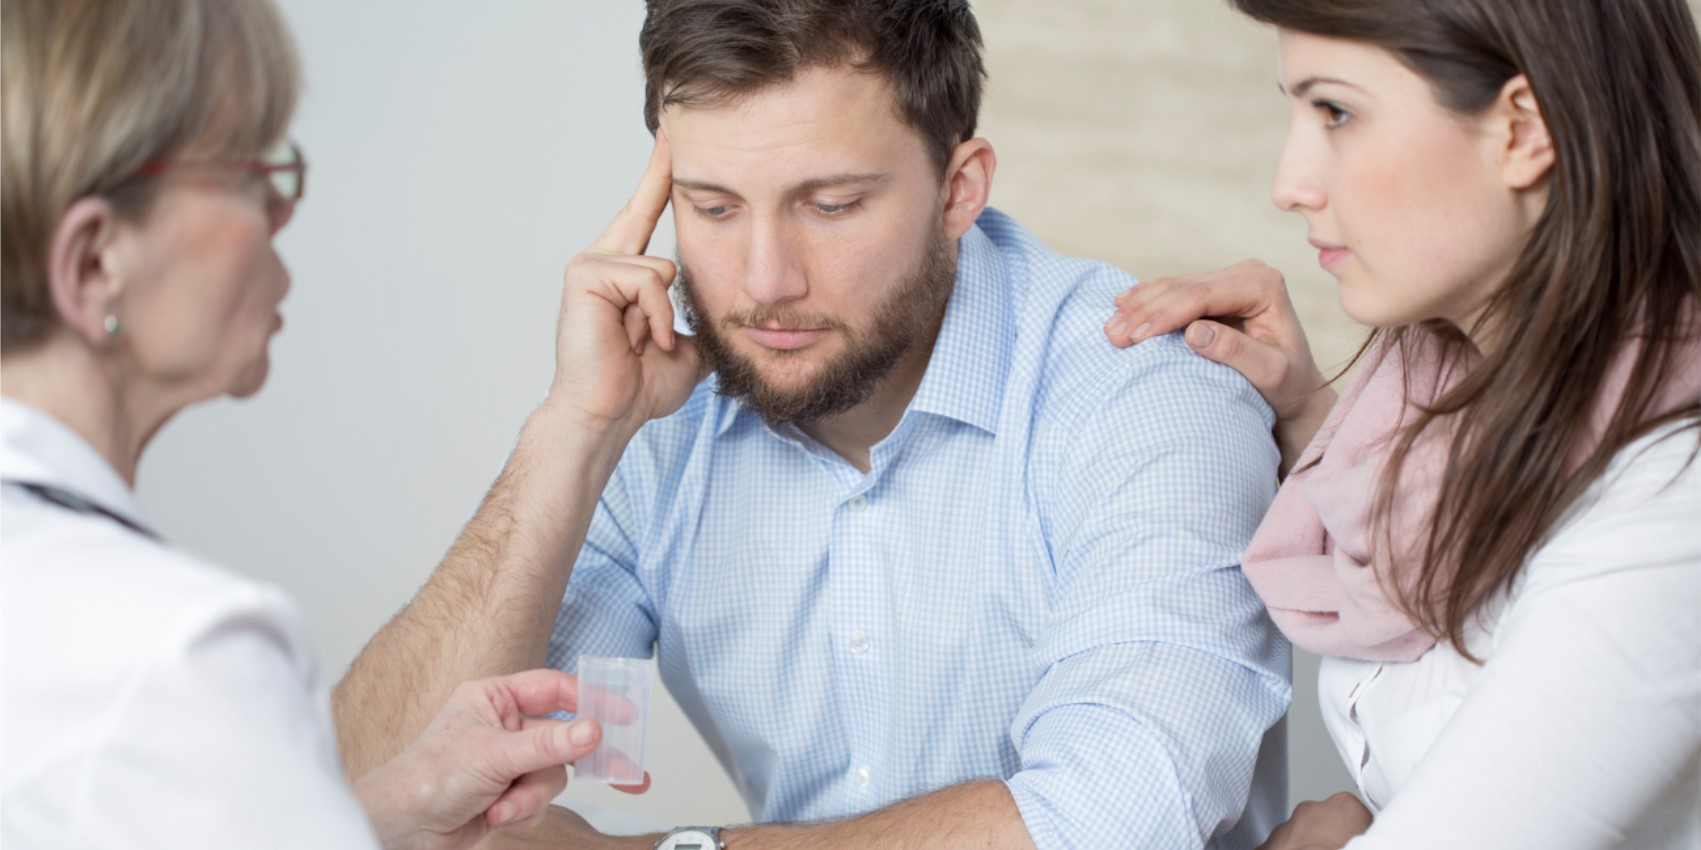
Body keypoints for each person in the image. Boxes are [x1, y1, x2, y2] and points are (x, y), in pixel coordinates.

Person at [332, 1, 1293, 847]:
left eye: (829, 206)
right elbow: (377, 804)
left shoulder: (1149, 392)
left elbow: (1113, 820)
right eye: (711, 208)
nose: (762, 284)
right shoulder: (651, 421)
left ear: (959, 189)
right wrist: (573, 430)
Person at [0, 1, 634, 847]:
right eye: (245, 174)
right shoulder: (178, 658)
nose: (282, 212)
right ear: (94, 262)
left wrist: (384, 806)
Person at [1104, 0, 1701, 847]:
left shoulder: (1670, 509)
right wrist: (1311, 415)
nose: (1289, 184)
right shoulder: (1459, 393)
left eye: (1336, 112)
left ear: (1524, 131)